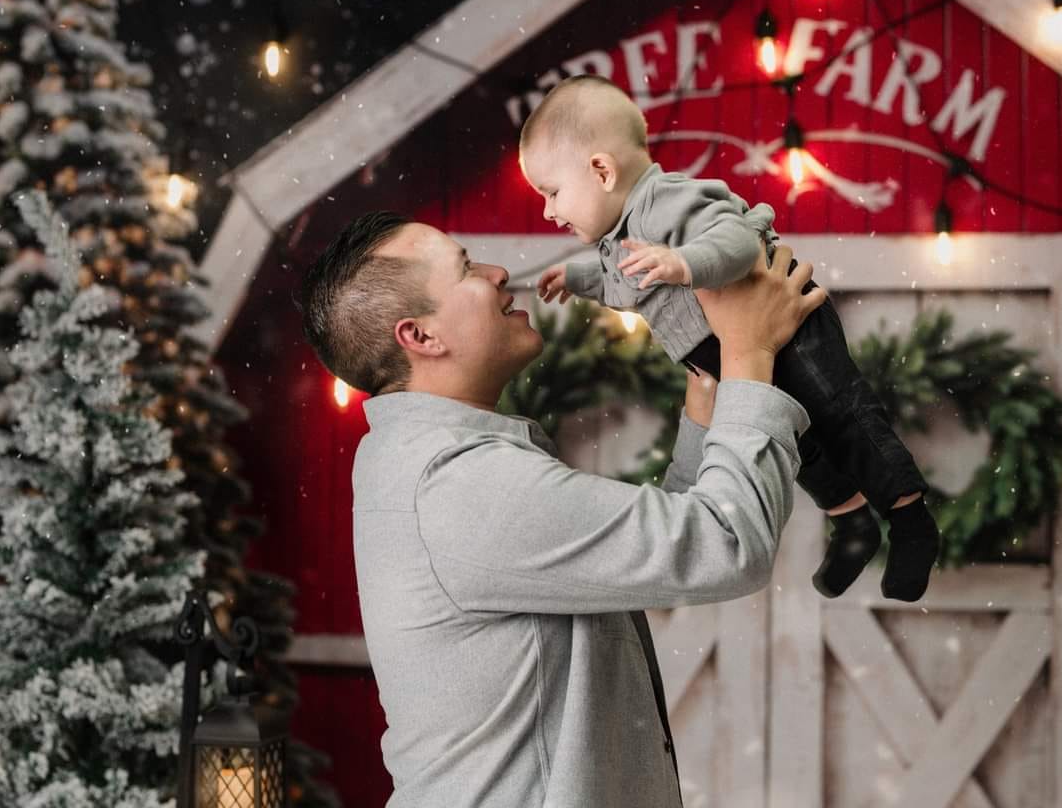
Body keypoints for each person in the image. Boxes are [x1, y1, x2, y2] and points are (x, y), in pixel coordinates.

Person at [298, 211, 824, 808]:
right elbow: (725, 545)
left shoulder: (426, 461)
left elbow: (647, 552)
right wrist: (751, 350)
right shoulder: (461, 484)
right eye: (467, 269)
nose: (498, 274)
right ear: (420, 336)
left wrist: (711, 391)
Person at [518, 74, 940, 601]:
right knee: (796, 442)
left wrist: (683, 261)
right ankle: (853, 523)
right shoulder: (616, 235)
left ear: (601, 170)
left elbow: (737, 240)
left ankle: (911, 520)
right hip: (734, 352)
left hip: (790, 328)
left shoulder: (663, 201)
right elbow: (620, 280)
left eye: (552, 192)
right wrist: (579, 279)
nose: (548, 211)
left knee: (840, 414)